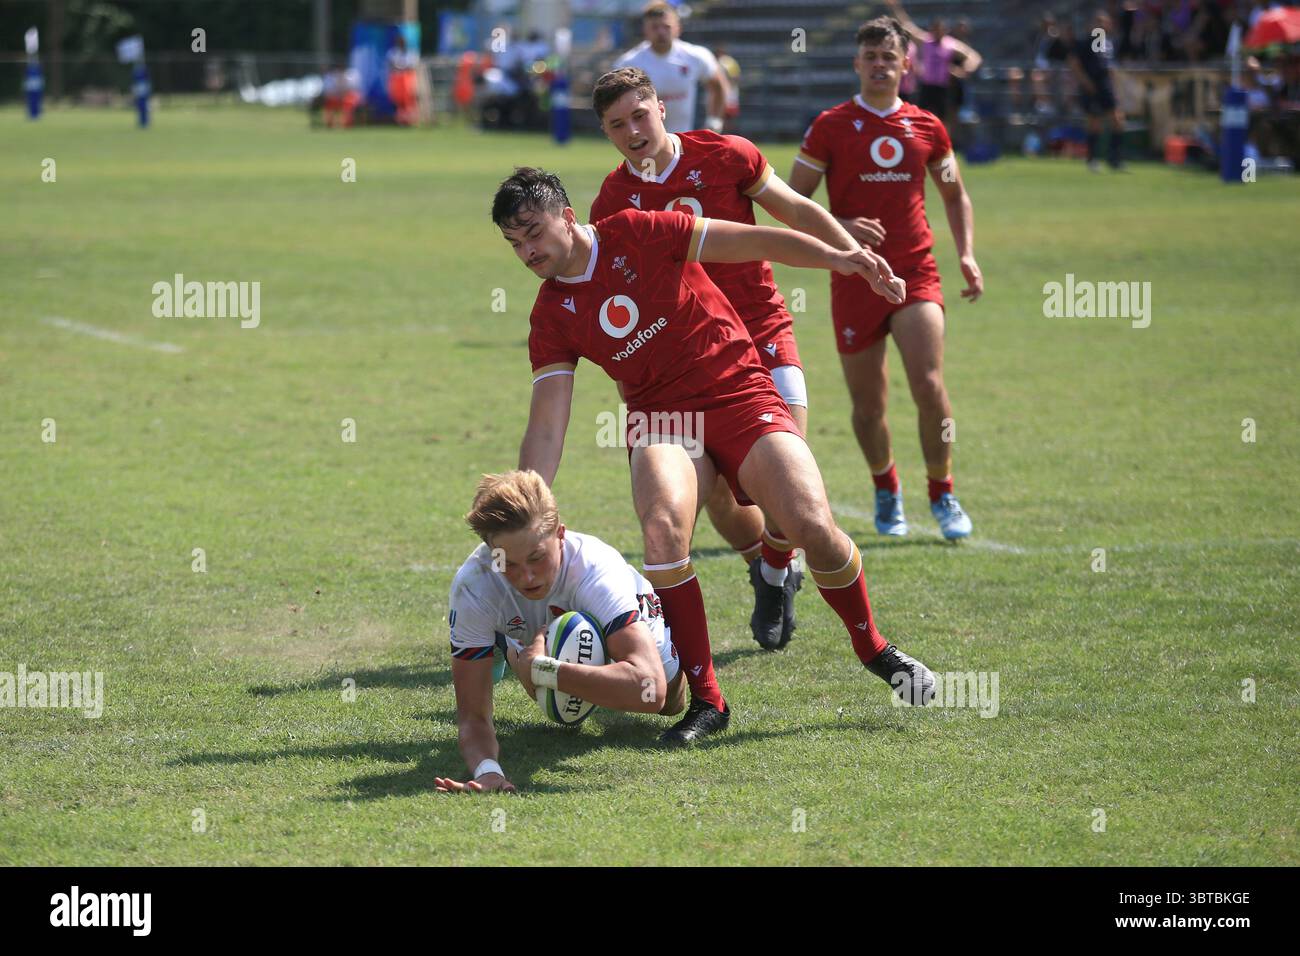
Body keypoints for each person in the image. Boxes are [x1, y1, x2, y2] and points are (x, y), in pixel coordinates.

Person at [495, 167, 937, 746]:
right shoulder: (550, 315)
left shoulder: (637, 230)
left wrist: (843, 255)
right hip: (662, 419)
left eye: (533, 233)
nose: (527, 251)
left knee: (812, 528)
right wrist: (533, 505)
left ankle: (873, 647)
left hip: (739, 391)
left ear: (567, 217)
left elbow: (755, 240)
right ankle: (707, 699)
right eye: (515, 244)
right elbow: (548, 424)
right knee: (662, 532)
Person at [588, 66, 903, 651]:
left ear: (661, 106)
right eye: (616, 124)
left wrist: (851, 251)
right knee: (721, 499)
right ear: (605, 132)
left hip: (760, 333)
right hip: (689, 359)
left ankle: (779, 566)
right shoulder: (612, 201)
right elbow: (615, 287)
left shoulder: (727, 155)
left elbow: (795, 210)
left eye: (640, 114)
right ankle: (764, 564)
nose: (633, 131)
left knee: (785, 489)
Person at [789, 16, 982, 542]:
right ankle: (885, 487)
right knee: (868, 404)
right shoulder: (830, 126)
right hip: (854, 276)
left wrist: (966, 254)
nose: (879, 65)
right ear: (857, 64)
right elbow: (793, 201)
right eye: (870, 57)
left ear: (906, 64)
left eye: (888, 57)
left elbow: (953, 194)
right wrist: (843, 227)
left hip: (916, 271)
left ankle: (942, 492)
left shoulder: (927, 126)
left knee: (929, 384)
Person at [436, 470, 686, 794]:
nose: (526, 576)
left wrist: (544, 670)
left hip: (619, 611)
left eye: (536, 557)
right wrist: (487, 772)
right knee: (559, 709)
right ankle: (505, 641)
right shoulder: (474, 587)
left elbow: (651, 691)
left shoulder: (596, 571)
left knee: (670, 702)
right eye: (507, 564)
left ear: (560, 535)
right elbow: (472, 717)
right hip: (523, 629)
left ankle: (519, 649)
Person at [613, 2, 729, 133]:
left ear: (678, 28)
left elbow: (718, 85)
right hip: (644, 141)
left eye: (666, 27)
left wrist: (714, 120)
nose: (661, 32)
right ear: (645, 30)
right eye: (655, 27)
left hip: (683, 139)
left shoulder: (695, 56)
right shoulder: (628, 63)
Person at [886, 0, 981, 134]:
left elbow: (973, 57)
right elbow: (907, 25)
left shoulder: (951, 44)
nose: (937, 32)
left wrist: (964, 70)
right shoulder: (926, 41)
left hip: (942, 87)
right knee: (921, 115)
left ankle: (943, 142)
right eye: (935, 28)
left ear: (945, 30)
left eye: (940, 29)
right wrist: (895, 6)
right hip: (926, 86)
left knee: (943, 118)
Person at [1067, 9, 1127, 171]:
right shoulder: (1084, 43)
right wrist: (1086, 83)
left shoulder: (1108, 43)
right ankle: (1092, 159)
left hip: (1105, 86)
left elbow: (1109, 68)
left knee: (1118, 120)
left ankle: (1114, 158)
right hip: (1091, 87)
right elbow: (1074, 64)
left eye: (1104, 22)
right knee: (1095, 123)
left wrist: (1114, 87)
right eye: (1098, 22)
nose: (1101, 25)